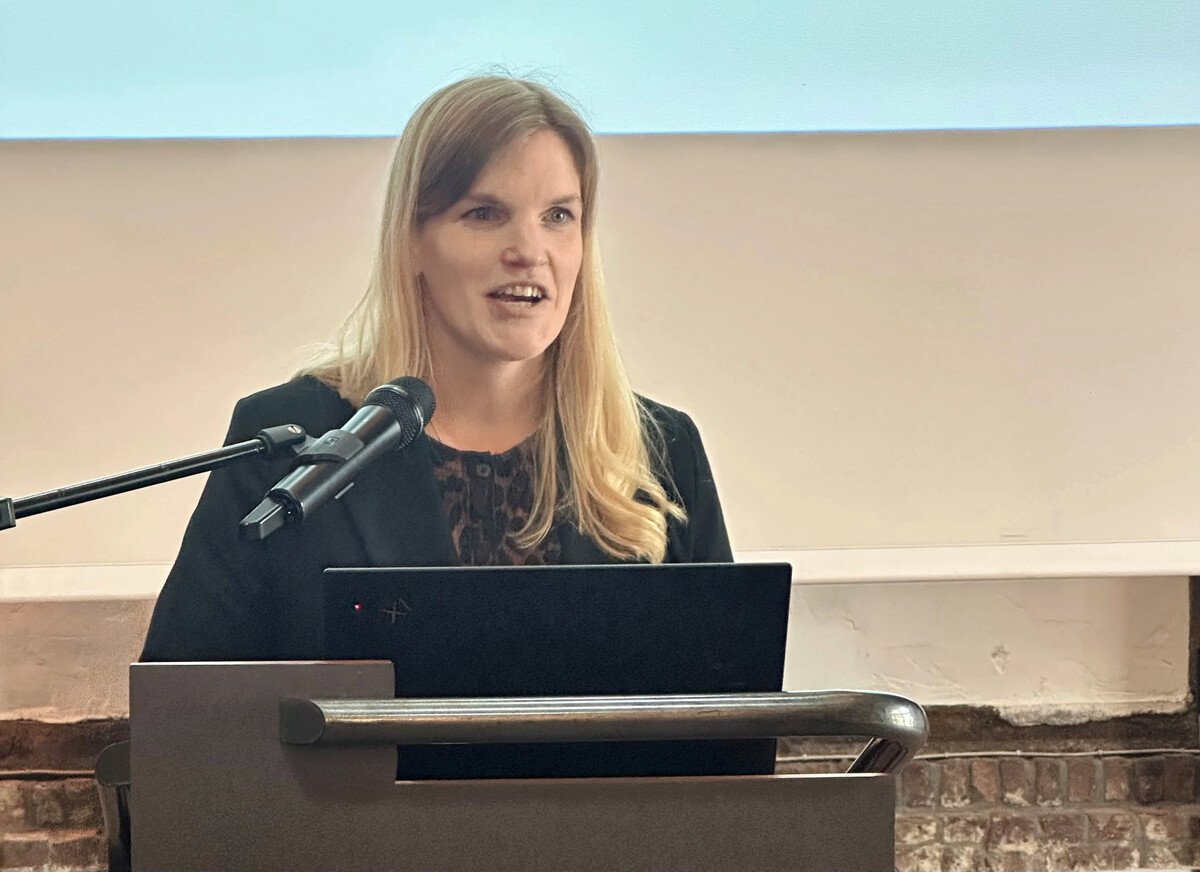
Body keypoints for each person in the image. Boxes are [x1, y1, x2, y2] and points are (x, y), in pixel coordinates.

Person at [141, 75, 732, 663]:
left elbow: (730, 705)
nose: (529, 251)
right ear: (412, 241)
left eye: (558, 215)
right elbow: (183, 707)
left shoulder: (662, 449)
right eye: (485, 213)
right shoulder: (291, 437)